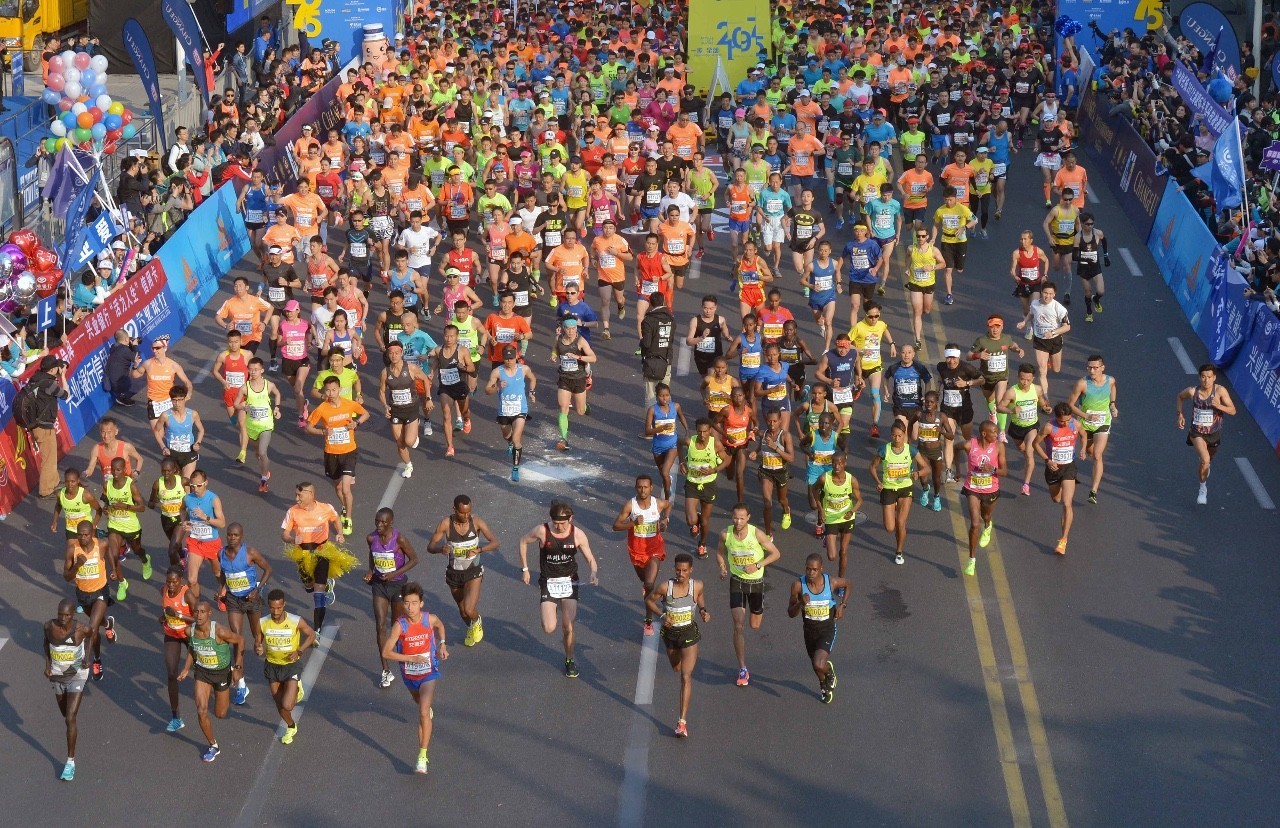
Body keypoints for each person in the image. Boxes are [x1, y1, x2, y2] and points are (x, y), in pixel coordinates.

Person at [518, 501, 600, 679]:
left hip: (570, 582)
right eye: (556, 523)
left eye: (563, 523)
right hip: (548, 581)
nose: (559, 526)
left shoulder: (578, 535)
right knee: (549, 628)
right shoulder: (542, 531)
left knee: (568, 627)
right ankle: (550, 607)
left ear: (571, 518)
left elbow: (590, 558)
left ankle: (569, 660)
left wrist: (593, 573)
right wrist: (525, 569)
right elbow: (523, 541)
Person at [381, 582, 448, 774]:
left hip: (429, 672)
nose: (410, 607)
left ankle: (422, 756)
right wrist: (410, 658)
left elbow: (440, 625)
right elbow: (386, 652)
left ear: (421, 603)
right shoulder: (399, 626)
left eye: (414, 602)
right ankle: (424, 708)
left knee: (423, 712)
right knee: (418, 701)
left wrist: (442, 644)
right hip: (409, 674)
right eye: (407, 603)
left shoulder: (429, 619)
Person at [645, 553, 710, 737]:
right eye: (678, 570)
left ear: (691, 570)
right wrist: (662, 615)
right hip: (670, 635)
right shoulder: (666, 587)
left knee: (685, 676)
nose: (681, 573)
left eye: (684, 570)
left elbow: (701, 596)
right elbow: (649, 600)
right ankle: (679, 661)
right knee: (676, 667)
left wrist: (704, 610)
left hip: (689, 633)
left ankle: (682, 722)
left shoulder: (696, 585)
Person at [717, 502, 782, 687]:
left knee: (754, 625)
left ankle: (759, 606)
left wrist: (758, 565)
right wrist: (722, 567)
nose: (738, 521)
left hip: (756, 583)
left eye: (741, 518)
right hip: (737, 580)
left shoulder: (756, 534)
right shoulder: (725, 534)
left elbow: (776, 553)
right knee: (738, 625)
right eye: (735, 518)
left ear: (748, 518)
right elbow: (720, 553)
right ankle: (743, 668)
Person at [426, 496, 498, 648]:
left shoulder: (476, 521)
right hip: (454, 573)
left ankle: (477, 622)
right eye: (462, 513)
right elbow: (430, 546)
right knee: (462, 611)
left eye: (468, 512)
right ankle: (471, 627)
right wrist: (441, 549)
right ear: (454, 510)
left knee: (469, 608)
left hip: (473, 571)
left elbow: (495, 542)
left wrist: (479, 549)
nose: (466, 516)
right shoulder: (446, 524)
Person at [177, 599, 243, 763]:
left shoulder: (220, 631)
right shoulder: (189, 631)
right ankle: (213, 745)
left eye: (202, 612)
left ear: (209, 614)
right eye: (196, 612)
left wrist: (237, 668)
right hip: (202, 672)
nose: (199, 615)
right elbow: (192, 648)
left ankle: (221, 691)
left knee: (220, 714)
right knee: (201, 710)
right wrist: (186, 668)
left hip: (221, 673)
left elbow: (240, 641)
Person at [363, 507, 420, 687]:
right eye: (377, 521)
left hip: (397, 586)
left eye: (383, 522)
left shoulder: (399, 539)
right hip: (379, 585)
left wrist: (395, 573)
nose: (379, 525)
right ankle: (386, 670)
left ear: (391, 522)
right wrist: (371, 571)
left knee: (396, 625)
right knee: (380, 625)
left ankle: (405, 657)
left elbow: (414, 559)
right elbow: (372, 555)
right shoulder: (371, 538)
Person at [216, 523, 272, 706]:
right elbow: (224, 575)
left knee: (257, 636)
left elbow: (268, 569)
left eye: (235, 535)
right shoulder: (221, 554)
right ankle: (241, 683)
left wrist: (258, 589)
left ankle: (258, 642)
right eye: (229, 535)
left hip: (251, 599)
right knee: (236, 637)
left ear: (241, 536)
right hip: (233, 600)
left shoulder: (250, 552)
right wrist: (222, 589)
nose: (232, 538)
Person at [306, 375, 370, 532]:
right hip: (331, 453)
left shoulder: (349, 404)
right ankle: (344, 507)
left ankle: (348, 519)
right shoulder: (321, 409)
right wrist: (323, 431)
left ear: (339, 390)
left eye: (334, 390)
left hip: (349, 451)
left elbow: (365, 414)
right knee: (338, 487)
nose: (331, 393)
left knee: (346, 489)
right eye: (327, 390)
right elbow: (308, 427)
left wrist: (356, 423)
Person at [280, 481, 346, 630]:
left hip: (322, 551)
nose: (297, 499)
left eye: (299, 495)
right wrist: (291, 539)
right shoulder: (292, 511)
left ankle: (316, 630)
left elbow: (336, 519)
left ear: (310, 494)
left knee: (318, 592)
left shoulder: (326, 508)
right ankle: (326, 585)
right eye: (296, 495)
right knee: (308, 586)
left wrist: (340, 533)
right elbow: (284, 534)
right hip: (302, 553)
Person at [612, 475, 672, 635]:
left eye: (646, 487)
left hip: (655, 548)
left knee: (650, 584)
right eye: (639, 487)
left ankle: (648, 620)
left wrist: (666, 519)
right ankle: (654, 592)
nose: (643, 490)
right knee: (645, 582)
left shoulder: (657, 503)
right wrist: (632, 524)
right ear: (636, 488)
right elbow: (616, 526)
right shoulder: (630, 505)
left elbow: (668, 505)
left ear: (651, 488)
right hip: (637, 550)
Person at [787, 554, 850, 704]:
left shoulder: (831, 582)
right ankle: (824, 682)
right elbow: (790, 613)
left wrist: (843, 605)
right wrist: (800, 603)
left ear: (821, 568)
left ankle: (826, 675)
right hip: (809, 632)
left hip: (827, 630)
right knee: (816, 666)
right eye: (808, 569)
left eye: (815, 569)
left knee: (818, 663)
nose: (811, 573)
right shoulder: (798, 585)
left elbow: (848, 584)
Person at [258, 590, 317, 745]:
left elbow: (311, 635)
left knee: (288, 705)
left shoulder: (295, 620)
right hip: (272, 666)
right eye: (272, 608)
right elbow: (258, 643)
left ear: (284, 605)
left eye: (279, 608)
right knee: (280, 705)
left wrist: (299, 651)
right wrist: (258, 648)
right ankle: (291, 727)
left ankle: (297, 687)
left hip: (291, 666)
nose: (276, 612)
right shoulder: (262, 622)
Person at [45, 598, 94, 780]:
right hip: (57, 675)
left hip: (77, 674)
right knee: (65, 715)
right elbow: (46, 643)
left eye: (66, 614)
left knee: (70, 717)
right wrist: (47, 664)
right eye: (60, 614)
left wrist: (88, 657)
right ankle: (71, 729)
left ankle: (70, 762)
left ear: (73, 614)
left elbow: (92, 635)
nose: (63, 618)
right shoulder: (49, 627)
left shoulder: (81, 628)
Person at [1176, 364, 1237, 505]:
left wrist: (1219, 406)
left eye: (1209, 377)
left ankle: (1207, 465)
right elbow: (1180, 397)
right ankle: (1202, 488)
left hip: (1214, 433)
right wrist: (1180, 415)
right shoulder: (1193, 392)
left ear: (1214, 378)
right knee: (1204, 459)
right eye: (1203, 377)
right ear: (1199, 377)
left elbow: (1233, 410)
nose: (1206, 380)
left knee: (1209, 458)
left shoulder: (1220, 391)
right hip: (1196, 432)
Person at [1066, 355, 1118, 504]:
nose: (1092, 370)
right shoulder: (1082, 383)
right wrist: (1085, 416)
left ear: (1102, 368)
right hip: (1086, 423)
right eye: (1089, 367)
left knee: (1097, 455)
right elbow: (1070, 405)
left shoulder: (1110, 380)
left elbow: (1113, 388)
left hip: (1103, 422)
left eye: (1095, 367)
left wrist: (1113, 404)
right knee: (1089, 451)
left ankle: (1093, 491)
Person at [101, 456, 152, 601]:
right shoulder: (107, 484)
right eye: (113, 469)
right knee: (113, 554)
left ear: (124, 470)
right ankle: (122, 582)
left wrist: (125, 506)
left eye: (118, 470)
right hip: (114, 525)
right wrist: (106, 509)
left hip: (131, 526)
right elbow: (104, 499)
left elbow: (142, 507)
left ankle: (145, 559)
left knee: (137, 550)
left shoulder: (131, 486)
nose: (115, 472)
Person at [679, 418, 731, 558]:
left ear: (710, 431)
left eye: (705, 432)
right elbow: (678, 444)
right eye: (700, 431)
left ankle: (702, 544)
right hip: (692, 482)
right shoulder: (689, 442)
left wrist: (714, 470)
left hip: (708, 484)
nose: (702, 435)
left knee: (705, 521)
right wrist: (682, 462)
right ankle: (696, 521)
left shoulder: (715, 444)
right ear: (696, 431)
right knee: (691, 520)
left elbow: (727, 460)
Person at [378, 341, 431, 479]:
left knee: (408, 441)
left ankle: (415, 430)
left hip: (411, 409)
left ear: (401, 353)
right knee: (400, 442)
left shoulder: (411, 368)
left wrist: (429, 398)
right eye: (391, 353)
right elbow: (382, 392)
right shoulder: (385, 372)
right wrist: (385, 406)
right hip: (395, 410)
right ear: (388, 355)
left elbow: (425, 379)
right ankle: (408, 465)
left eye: (396, 353)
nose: (394, 356)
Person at [961, 421, 1008, 576]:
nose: (997, 435)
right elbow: (955, 448)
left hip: (990, 489)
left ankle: (988, 525)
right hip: (972, 488)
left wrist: (993, 469)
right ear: (984, 434)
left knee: (985, 515)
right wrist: (954, 468)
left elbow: (1004, 471)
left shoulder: (999, 447)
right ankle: (971, 560)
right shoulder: (970, 445)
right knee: (974, 524)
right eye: (994, 432)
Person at [870, 422, 920, 565]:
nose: (897, 438)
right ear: (891, 435)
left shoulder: (910, 450)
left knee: (900, 523)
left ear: (904, 435)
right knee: (890, 528)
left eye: (900, 436)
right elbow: (872, 467)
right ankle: (895, 506)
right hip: (888, 489)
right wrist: (878, 482)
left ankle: (899, 551)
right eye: (894, 435)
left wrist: (918, 473)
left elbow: (926, 468)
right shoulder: (884, 450)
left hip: (905, 488)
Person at [999, 363, 1052, 496]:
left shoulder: (1037, 389)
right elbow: (1000, 407)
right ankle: (1029, 460)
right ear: (1018, 377)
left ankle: (1026, 484)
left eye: (1028, 379)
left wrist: (1045, 408)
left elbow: (1041, 401)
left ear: (1033, 378)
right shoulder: (1012, 392)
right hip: (1017, 428)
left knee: (1029, 452)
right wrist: (1011, 410)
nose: (1025, 382)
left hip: (1032, 426)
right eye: (1022, 379)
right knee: (1022, 449)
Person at [485, 345, 537, 481]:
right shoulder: (497, 372)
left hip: (520, 410)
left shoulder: (523, 369)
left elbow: (533, 378)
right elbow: (487, 390)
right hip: (504, 412)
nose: (509, 361)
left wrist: (532, 392)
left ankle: (515, 468)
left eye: (511, 358)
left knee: (516, 440)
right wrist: (497, 387)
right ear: (503, 358)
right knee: (506, 435)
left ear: (516, 357)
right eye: (506, 359)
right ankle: (509, 443)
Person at [1035, 403, 1081, 555]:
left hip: (1069, 467)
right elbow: (1036, 444)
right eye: (1062, 421)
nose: (1065, 424)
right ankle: (1059, 487)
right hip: (1053, 469)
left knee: (1067, 503)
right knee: (1056, 499)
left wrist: (1082, 449)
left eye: (1068, 420)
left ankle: (1063, 540)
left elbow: (1084, 434)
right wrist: (1047, 460)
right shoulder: (1049, 427)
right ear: (1056, 418)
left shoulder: (1075, 424)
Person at [233, 357, 283, 491]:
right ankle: (265, 469)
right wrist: (243, 408)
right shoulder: (245, 388)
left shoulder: (269, 385)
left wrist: (277, 408)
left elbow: (277, 394)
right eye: (251, 369)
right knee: (257, 453)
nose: (253, 372)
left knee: (262, 451)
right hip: (252, 426)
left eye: (256, 370)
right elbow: (236, 404)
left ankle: (264, 480)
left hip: (266, 425)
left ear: (262, 370)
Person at [552, 316, 597, 452]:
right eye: (568, 328)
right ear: (564, 328)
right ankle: (563, 439)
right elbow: (555, 349)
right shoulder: (558, 339)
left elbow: (594, 358)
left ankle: (585, 406)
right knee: (563, 407)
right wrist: (554, 355)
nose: (571, 331)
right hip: (564, 378)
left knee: (580, 411)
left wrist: (578, 357)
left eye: (573, 328)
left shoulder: (581, 341)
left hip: (578, 379)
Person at [1017, 282, 1070, 397]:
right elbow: (1031, 314)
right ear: (1042, 292)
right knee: (1042, 370)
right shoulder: (1035, 304)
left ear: (1054, 294)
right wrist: (1024, 322)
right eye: (1045, 293)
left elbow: (1067, 327)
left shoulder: (1059, 308)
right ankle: (1045, 396)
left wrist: (1053, 332)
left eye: (1050, 294)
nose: (1047, 296)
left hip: (1054, 340)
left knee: (1056, 369)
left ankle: (1050, 360)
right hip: (1040, 340)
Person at [28, 355, 71, 498]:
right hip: (43, 426)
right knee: (48, 459)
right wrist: (63, 376)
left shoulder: (36, 377)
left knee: (51, 456)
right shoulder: (48, 384)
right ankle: (46, 490)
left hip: (37, 424)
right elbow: (65, 395)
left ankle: (54, 482)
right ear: (52, 369)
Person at [158, 566, 194, 734]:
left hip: (188, 634)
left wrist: (179, 615)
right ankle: (176, 718)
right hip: (171, 634)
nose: (171, 585)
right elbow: (166, 610)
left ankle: (228, 672)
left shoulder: (188, 595)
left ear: (181, 581)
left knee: (206, 664)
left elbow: (199, 619)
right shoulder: (163, 590)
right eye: (168, 582)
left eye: (174, 582)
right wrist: (163, 617)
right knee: (171, 674)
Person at [816, 451, 861, 579]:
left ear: (845, 464)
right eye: (834, 463)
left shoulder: (851, 480)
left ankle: (841, 580)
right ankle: (827, 537)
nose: (837, 466)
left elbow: (859, 500)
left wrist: (852, 511)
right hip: (831, 518)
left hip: (847, 518)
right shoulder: (824, 478)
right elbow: (815, 491)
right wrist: (821, 510)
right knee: (831, 556)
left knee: (843, 552)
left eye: (840, 463)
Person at [645, 383, 688, 501]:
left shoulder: (676, 406)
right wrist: (660, 429)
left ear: (670, 395)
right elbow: (647, 431)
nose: (665, 398)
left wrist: (687, 430)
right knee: (662, 473)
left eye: (667, 395)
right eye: (661, 396)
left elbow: (681, 416)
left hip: (672, 444)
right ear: (656, 396)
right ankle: (667, 487)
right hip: (658, 446)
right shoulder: (653, 410)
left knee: (665, 472)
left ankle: (667, 498)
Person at [639, 290, 676, 410]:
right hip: (666, 359)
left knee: (651, 395)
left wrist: (641, 346)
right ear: (663, 301)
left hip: (652, 361)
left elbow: (647, 343)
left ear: (650, 303)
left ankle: (651, 424)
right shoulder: (671, 319)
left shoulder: (648, 320)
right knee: (664, 394)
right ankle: (665, 420)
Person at [52, 468, 102, 549]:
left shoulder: (86, 495)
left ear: (78, 481)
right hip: (71, 529)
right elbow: (58, 505)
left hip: (86, 530)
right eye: (67, 481)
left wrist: (93, 526)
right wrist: (54, 521)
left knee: (89, 554)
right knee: (72, 554)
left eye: (72, 481)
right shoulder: (60, 494)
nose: (69, 484)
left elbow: (99, 510)